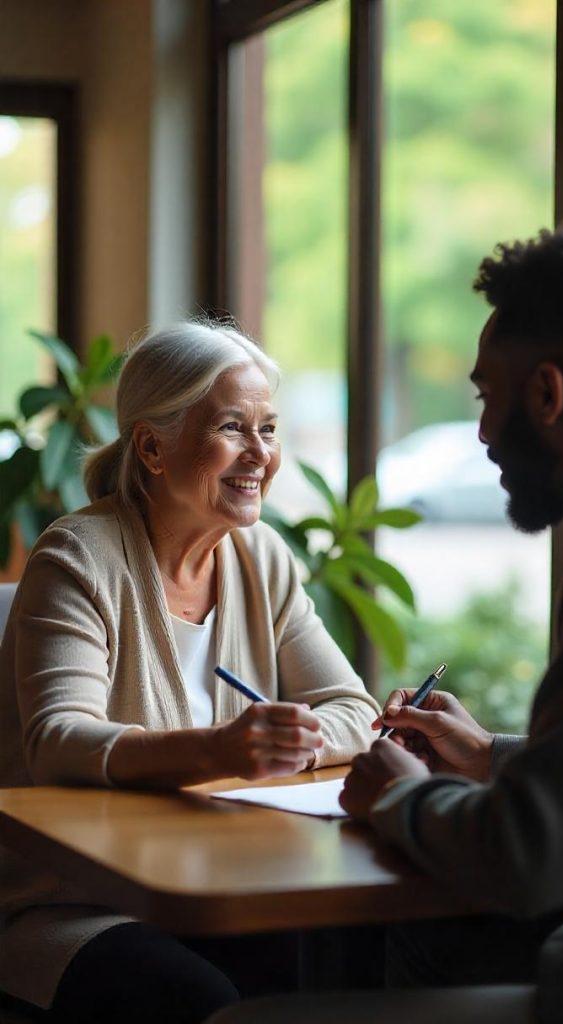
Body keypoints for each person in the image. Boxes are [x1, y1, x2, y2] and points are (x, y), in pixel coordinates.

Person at [336, 220, 563, 1022]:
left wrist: (399, 795)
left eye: (484, 396)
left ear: (545, 394)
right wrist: (490, 757)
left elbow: (528, 860)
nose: (479, 432)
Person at [0, 320, 379, 1023]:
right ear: (151, 447)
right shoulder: (76, 558)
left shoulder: (263, 558)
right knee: (197, 1000)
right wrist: (221, 749)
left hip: (216, 883)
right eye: (233, 428)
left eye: (269, 429)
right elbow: (58, 740)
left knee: (333, 962)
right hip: (72, 904)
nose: (260, 454)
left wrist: (291, 743)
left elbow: (354, 710)